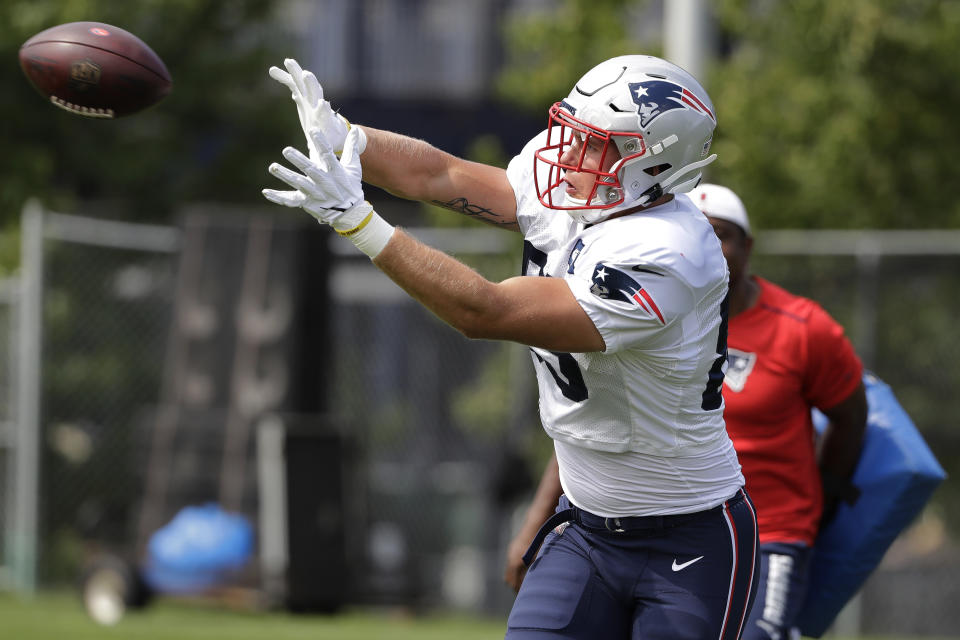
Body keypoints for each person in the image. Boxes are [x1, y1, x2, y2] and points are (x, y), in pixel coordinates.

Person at [263, 55, 759, 640]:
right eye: (572, 131)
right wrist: (349, 139)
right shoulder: (586, 189)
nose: (566, 152)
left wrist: (359, 223)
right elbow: (441, 176)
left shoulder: (670, 252)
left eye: (593, 143)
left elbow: (486, 311)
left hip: (687, 536)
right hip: (586, 526)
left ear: (651, 164)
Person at [505, 182, 867, 640]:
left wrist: (823, 502)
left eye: (720, 233)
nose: (704, 244)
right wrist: (534, 524)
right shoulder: (634, 310)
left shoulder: (804, 329)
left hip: (769, 530)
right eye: (696, 230)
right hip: (634, 522)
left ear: (748, 246)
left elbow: (851, 416)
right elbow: (594, 426)